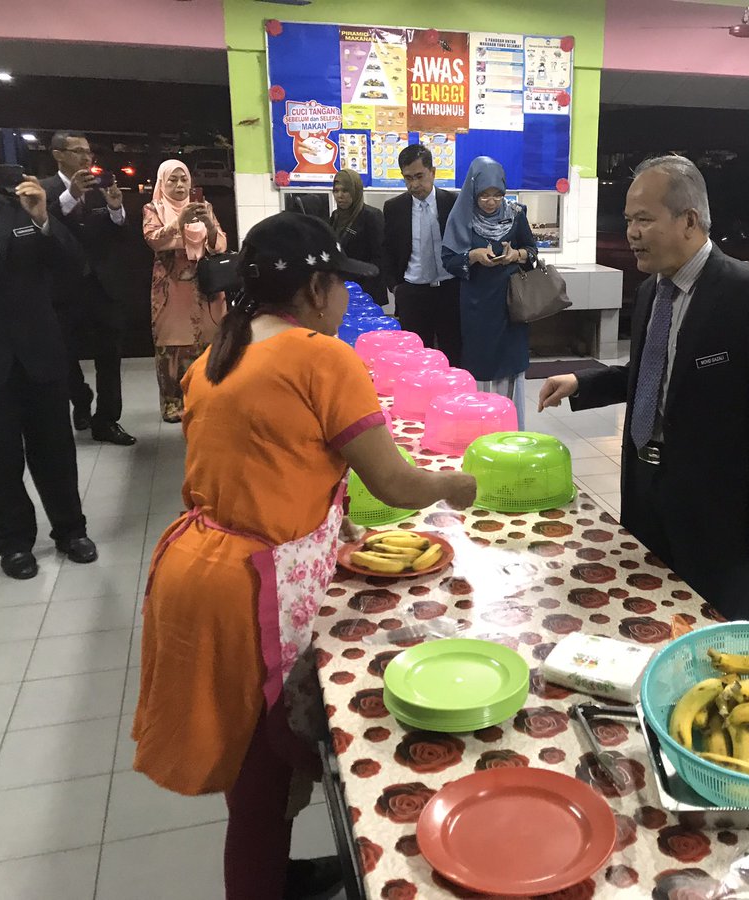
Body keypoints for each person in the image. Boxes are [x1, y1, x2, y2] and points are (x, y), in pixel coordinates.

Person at [132, 211, 476, 900]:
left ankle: (272, 870)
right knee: (263, 775)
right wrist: (461, 483)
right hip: (250, 591)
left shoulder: (216, 356)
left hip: (199, 570)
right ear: (317, 290)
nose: (349, 301)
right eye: (341, 286)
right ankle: (259, 883)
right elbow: (395, 481)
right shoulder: (322, 357)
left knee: (253, 769)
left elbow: (269, 463)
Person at [538, 155, 749, 620]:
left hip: (716, 504)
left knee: (713, 627)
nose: (631, 233)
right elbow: (651, 376)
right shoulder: (650, 292)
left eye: (644, 219)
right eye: (627, 220)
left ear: (689, 221)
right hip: (645, 484)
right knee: (645, 608)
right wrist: (581, 381)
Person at [0, 127, 98, 579]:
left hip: (40, 355)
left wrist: (44, 220)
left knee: (55, 452)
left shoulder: (23, 206)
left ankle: (71, 530)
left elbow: (74, 267)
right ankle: (15, 544)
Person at [41, 130, 136, 446]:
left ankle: (107, 420)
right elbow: (41, 230)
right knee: (64, 356)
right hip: (62, 291)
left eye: (88, 152)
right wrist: (69, 196)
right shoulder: (43, 190)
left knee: (110, 357)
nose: (86, 157)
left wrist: (114, 209)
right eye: (78, 151)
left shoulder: (99, 188)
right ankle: (80, 399)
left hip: (102, 288)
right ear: (58, 154)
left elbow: (119, 235)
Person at [441, 156, 538, 428]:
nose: (492, 202)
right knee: (480, 364)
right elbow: (447, 259)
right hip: (477, 307)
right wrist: (472, 256)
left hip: (511, 307)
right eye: (484, 195)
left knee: (511, 365)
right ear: (473, 191)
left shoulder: (516, 215)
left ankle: (510, 426)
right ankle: (480, 426)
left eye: (497, 195)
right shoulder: (461, 218)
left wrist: (514, 255)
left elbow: (532, 253)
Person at [143, 159, 227, 423]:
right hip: (171, 287)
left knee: (209, 340)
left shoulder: (206, 208)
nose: (179, 185)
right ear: (162, 182)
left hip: (205, 287)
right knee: (173, 344)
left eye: (184, 179)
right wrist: (179, 222)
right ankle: (173, 402)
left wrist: (210, 227)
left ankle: (205, 397)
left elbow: (220, 245)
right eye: (173, 180)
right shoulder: (153, 208)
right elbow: (154, 240)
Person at [382, 144, 461, 363]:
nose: (414, 184)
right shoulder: (394, 207)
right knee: (417, 358)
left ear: (432, 172)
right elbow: (387, 250)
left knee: (453, 354)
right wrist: (396, 287)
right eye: (408, 178)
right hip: (413, 292)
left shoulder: (454, 203)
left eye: (419, 176)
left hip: (450, 289)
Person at [329, 168, 387, 303]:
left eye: (345, 190)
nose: (340, 195)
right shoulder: (335, 216)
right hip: (341, 288)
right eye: (336, 191)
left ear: (355, 191)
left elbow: (380, 257)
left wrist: (358, 276)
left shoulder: (371, 216)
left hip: (366, 289)